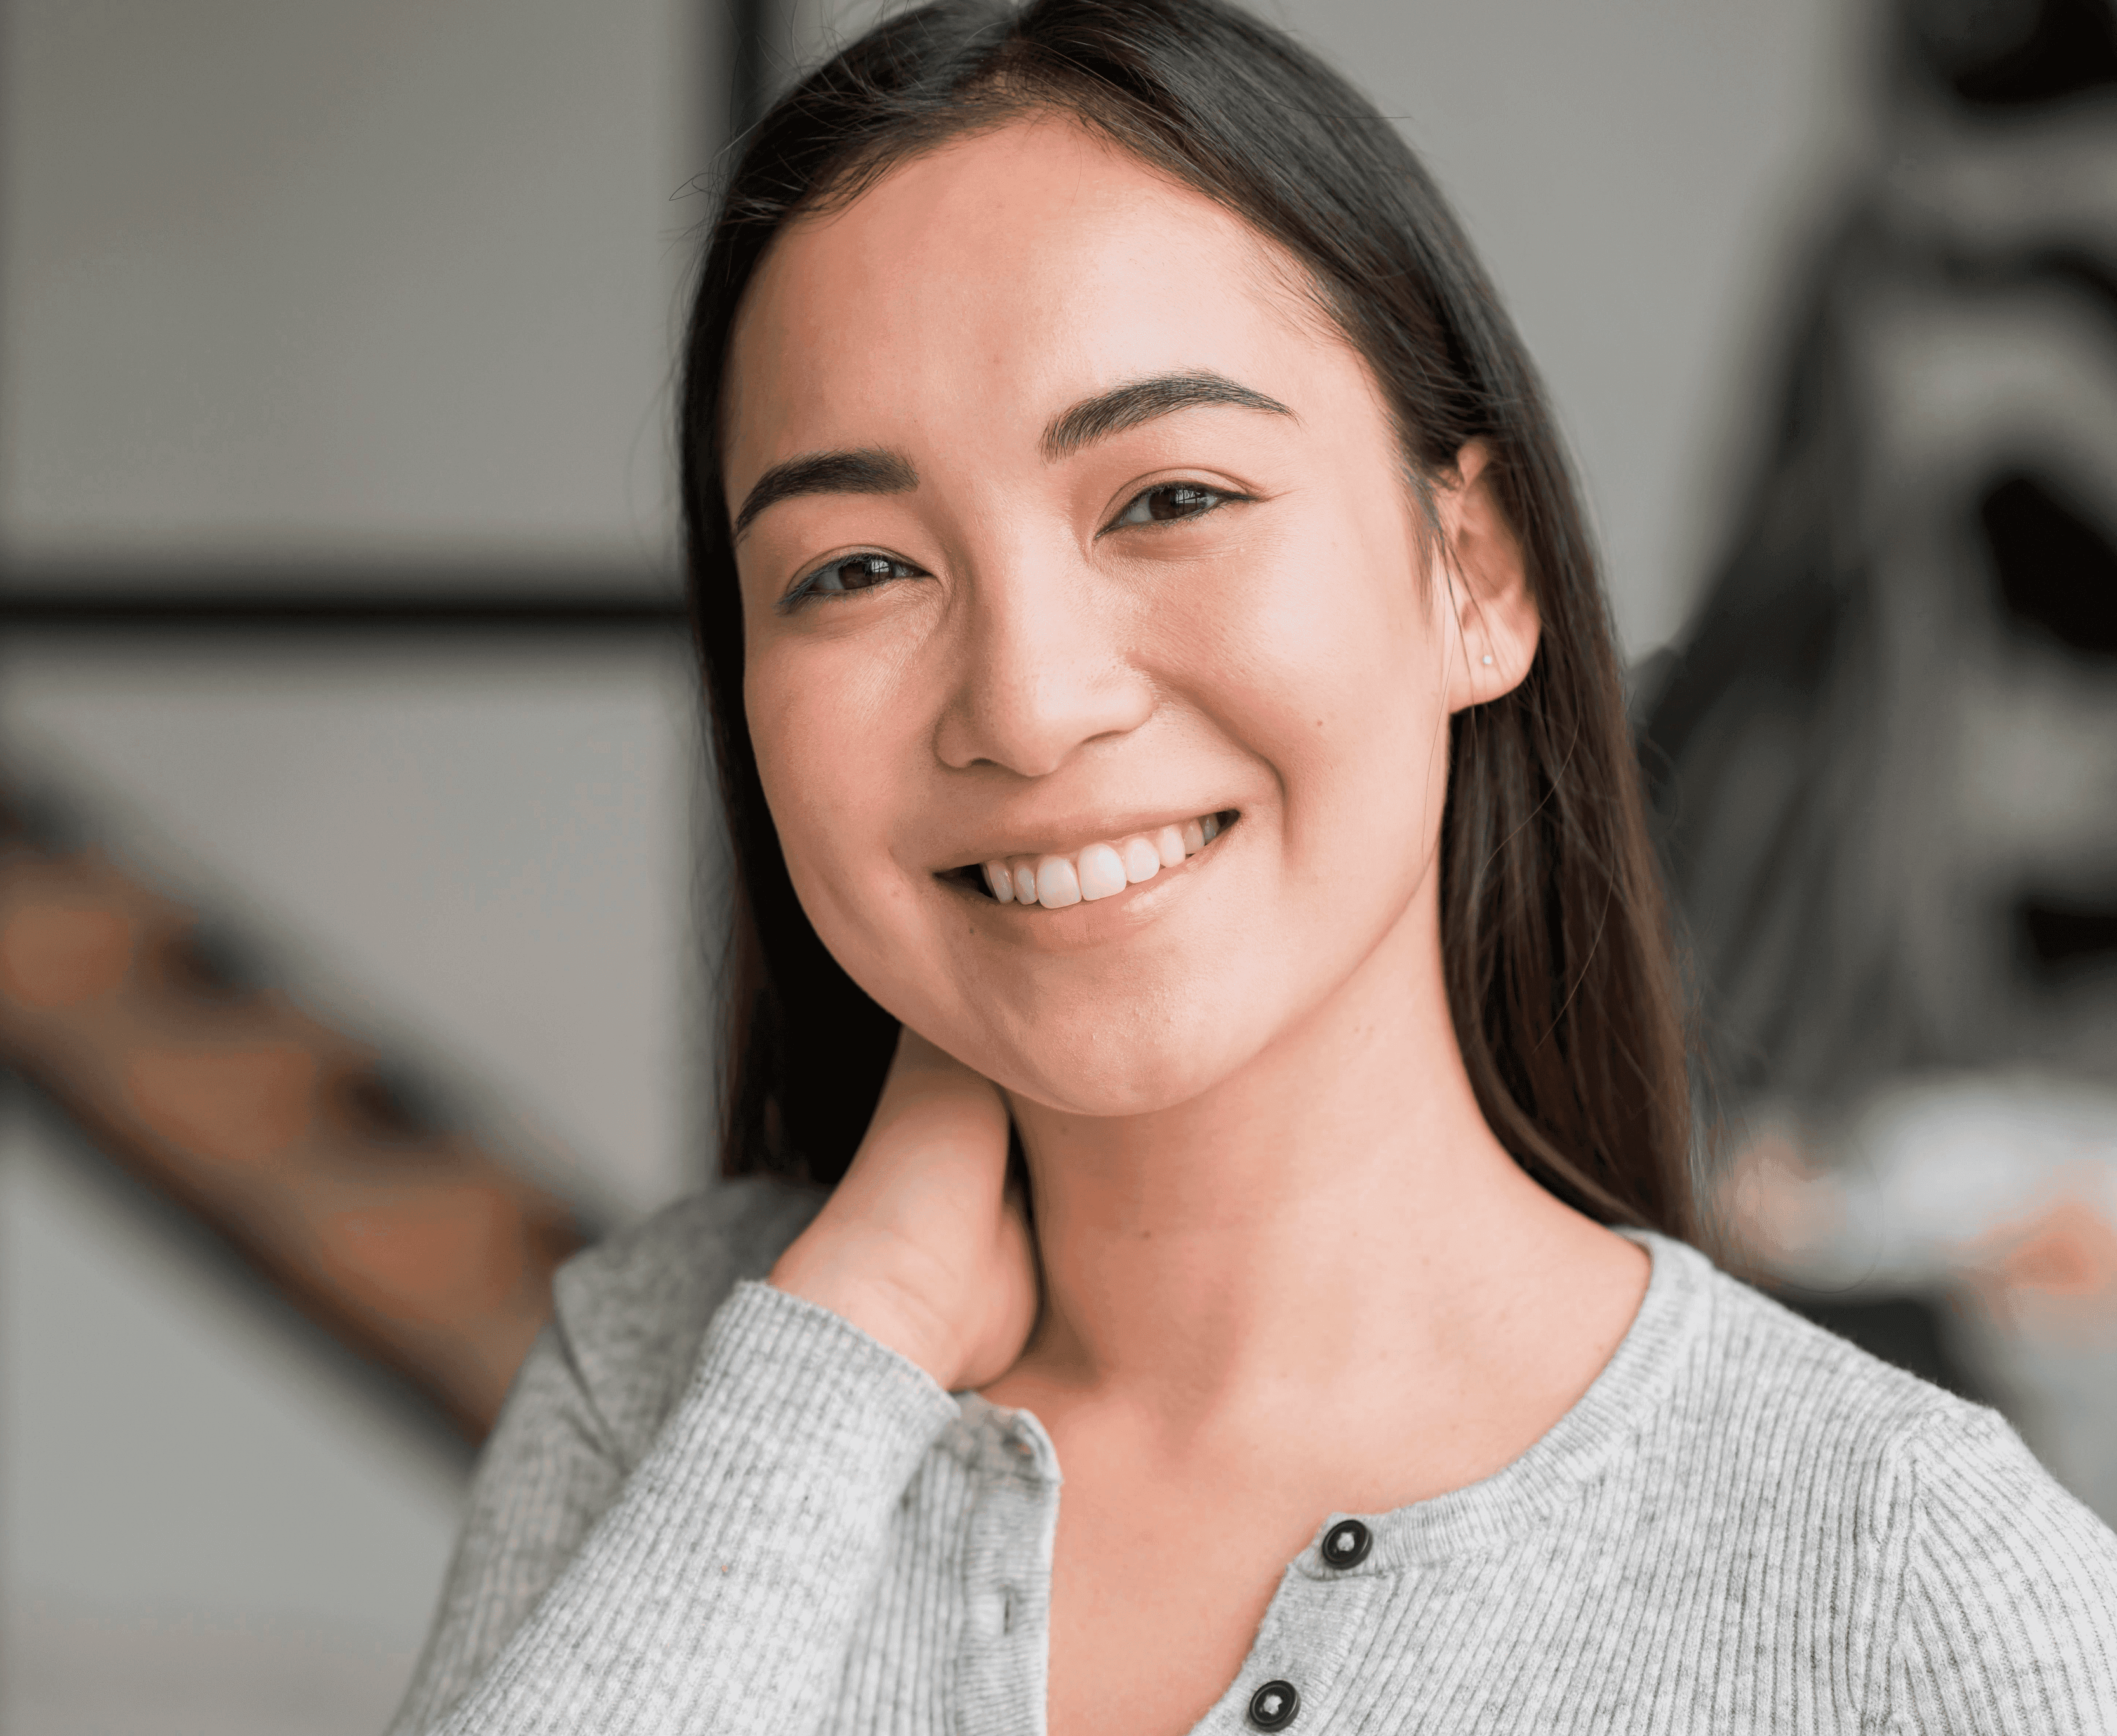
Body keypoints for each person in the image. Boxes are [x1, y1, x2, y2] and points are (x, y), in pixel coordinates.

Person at [389, 3, 2117, 1730]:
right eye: (853, 571)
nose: (1030, 705)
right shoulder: (664, 1380)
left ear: (1476, 570)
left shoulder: (1913, 1582)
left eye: (1170, 498)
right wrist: (850, 1340)